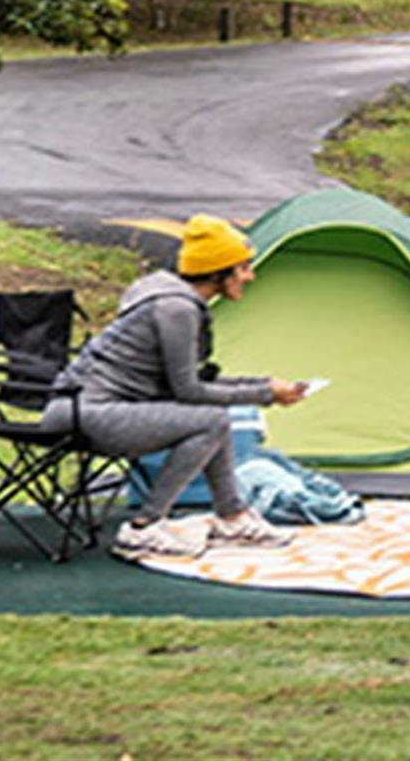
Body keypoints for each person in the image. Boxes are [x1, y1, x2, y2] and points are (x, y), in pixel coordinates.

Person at [50, 214, 308, 561]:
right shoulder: (176, 309)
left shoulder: (170, 297)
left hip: (86, 408)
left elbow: (191, 382)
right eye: (244, 267)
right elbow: (188, 391)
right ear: (219, 270)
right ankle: (144, 527)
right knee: (211, 419)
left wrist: (265, 385)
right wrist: (264, 395)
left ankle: (232, 517)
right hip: (86, 414)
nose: (250, 276)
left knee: (211, 416)